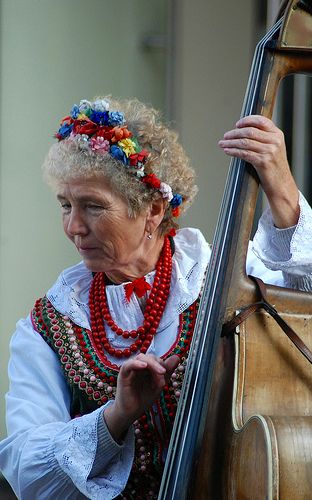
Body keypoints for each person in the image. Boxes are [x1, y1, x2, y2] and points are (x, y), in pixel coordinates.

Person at [0, 96, 311, 500]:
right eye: (65, 205)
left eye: (93, 206)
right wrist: (117, 415)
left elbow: (302, 303)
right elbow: (29, 476)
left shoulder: (225, 280)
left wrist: (283, 192)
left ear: (153, 208)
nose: (75, 227)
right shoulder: (51, 324)